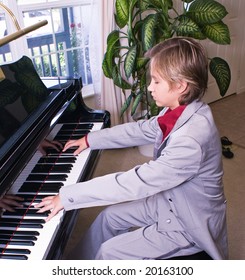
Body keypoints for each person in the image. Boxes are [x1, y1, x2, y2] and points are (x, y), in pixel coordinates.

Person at [35, 37, 228, 260]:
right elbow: (140, 130)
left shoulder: (191, 140)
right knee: (109, 218)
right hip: (170, 200)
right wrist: (91, 139)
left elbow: (135, 183)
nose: (149, 87)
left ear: (181, 86)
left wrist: (68, 196)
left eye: (156, 81)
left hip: (187, 222)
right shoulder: (179, 110)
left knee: (110, 252)